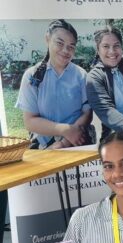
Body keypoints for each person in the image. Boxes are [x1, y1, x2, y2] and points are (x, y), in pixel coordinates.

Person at [17, 19, 93, 149]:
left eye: (71, 46)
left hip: (77, 140)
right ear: (47, 39)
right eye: (59, 43)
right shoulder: (31, 76)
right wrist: (64, 130)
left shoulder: (81, 75)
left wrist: (65, 142)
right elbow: (30, 121)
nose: (65, 50)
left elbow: (87, 113)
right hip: (43, 144)